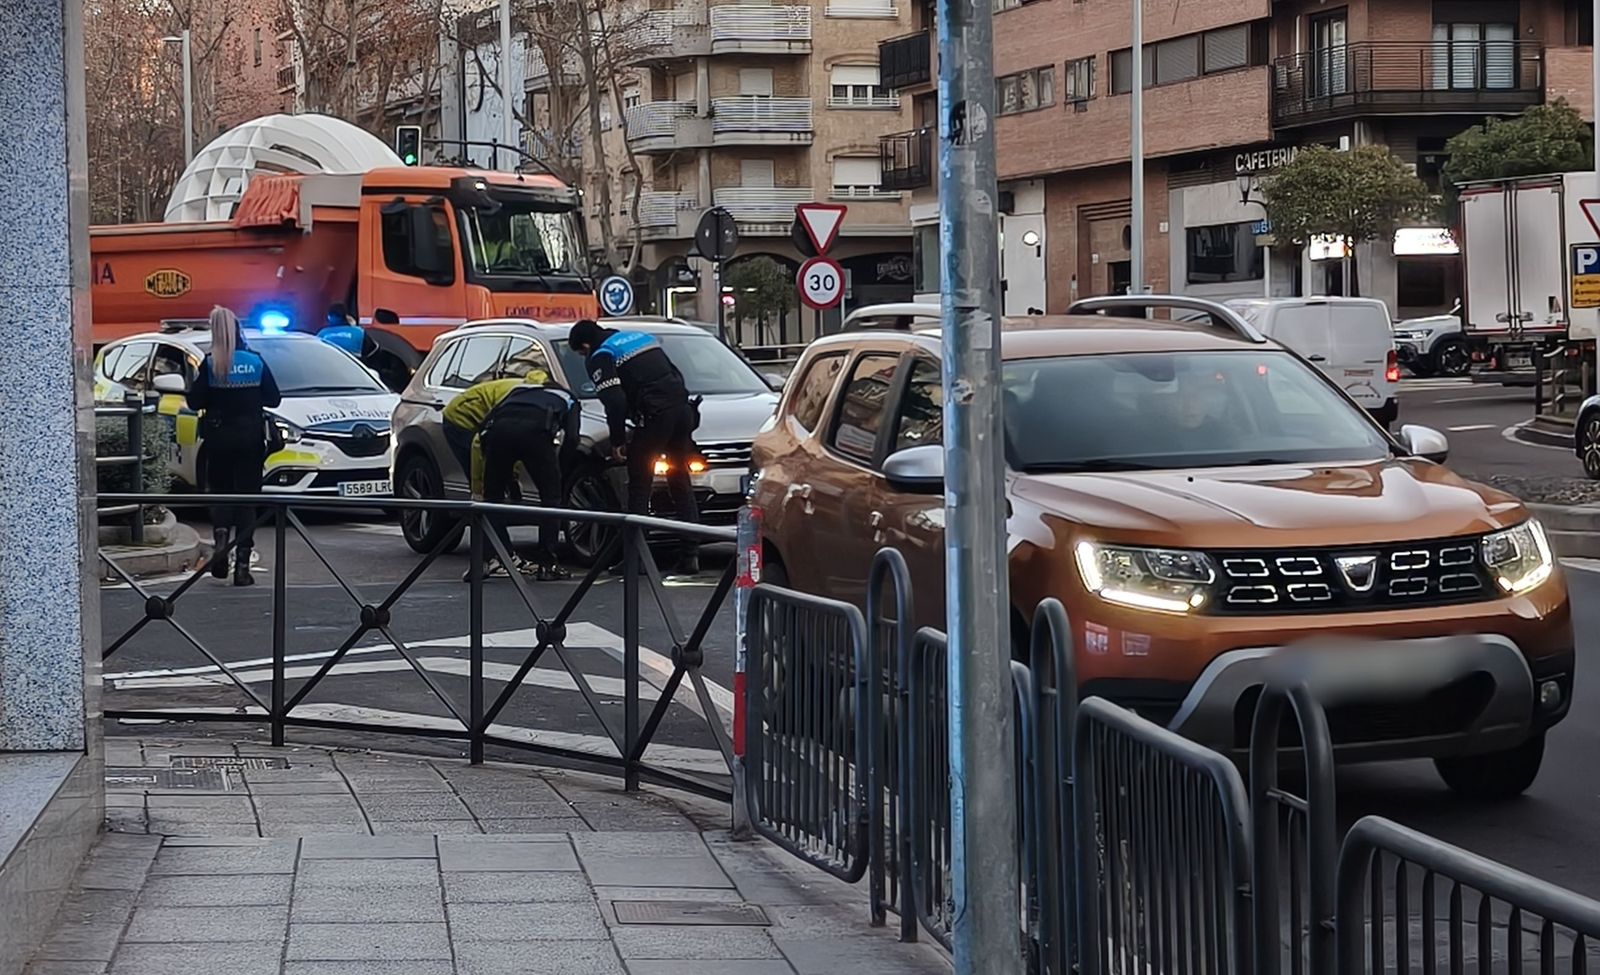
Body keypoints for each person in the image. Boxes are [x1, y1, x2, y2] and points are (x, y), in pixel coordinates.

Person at [566, 319, 700, 574]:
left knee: (639, 485)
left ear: (585, 345)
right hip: (682, 410)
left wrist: (618, 442)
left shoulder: (601, 354)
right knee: (679, 479)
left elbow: (614, 401)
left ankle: (636, 557)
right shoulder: (639, 337)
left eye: (582, 352)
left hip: (655, 415)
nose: (585, 356)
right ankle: (690, 554)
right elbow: (675, 373)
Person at [442, 369, 576, 579]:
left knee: (490, 500)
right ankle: (547, 566)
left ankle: (483, 562)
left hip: (499, 435)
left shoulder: (516, 393)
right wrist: (561, 473)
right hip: (536, 435)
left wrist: (495, 478)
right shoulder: (568, 398)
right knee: (550, 499)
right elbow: (572, 440)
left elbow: (486, 430)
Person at [187, 306, 280, 587]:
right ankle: (242, 566)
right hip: (250, 440)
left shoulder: (210, 364)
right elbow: (273, 399)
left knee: (222, 495)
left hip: (218, 440)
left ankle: (221, 544)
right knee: (247, 501)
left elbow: (194, 402)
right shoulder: (255, 362)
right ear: (238, 329)